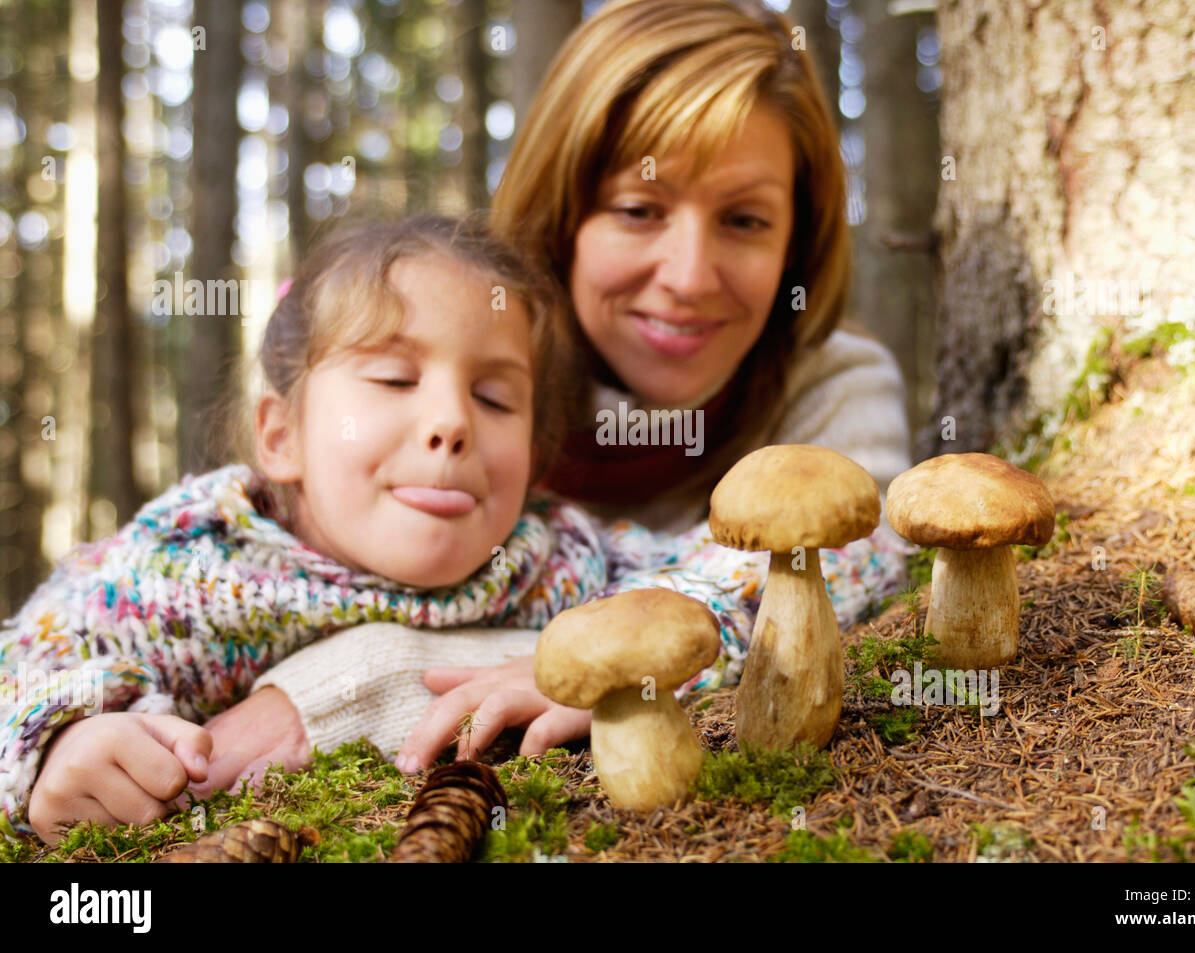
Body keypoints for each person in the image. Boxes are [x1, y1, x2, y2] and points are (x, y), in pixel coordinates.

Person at [176, 0, 915, 790]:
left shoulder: (830, 387)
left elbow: (843, 559)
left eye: (744, 219)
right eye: (639, 209)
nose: (690, 275)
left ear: (796, 243)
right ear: (561, 216)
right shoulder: (471, 398)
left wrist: (382, 672)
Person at [0, 213, 757, 845]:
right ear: (282, 435)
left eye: (494, 398)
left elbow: (768, 567)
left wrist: (583, 668)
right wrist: (58, 738)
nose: (452, 423)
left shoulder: (554, 558)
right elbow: (24, 658)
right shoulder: (189, 567)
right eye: (394, 380)